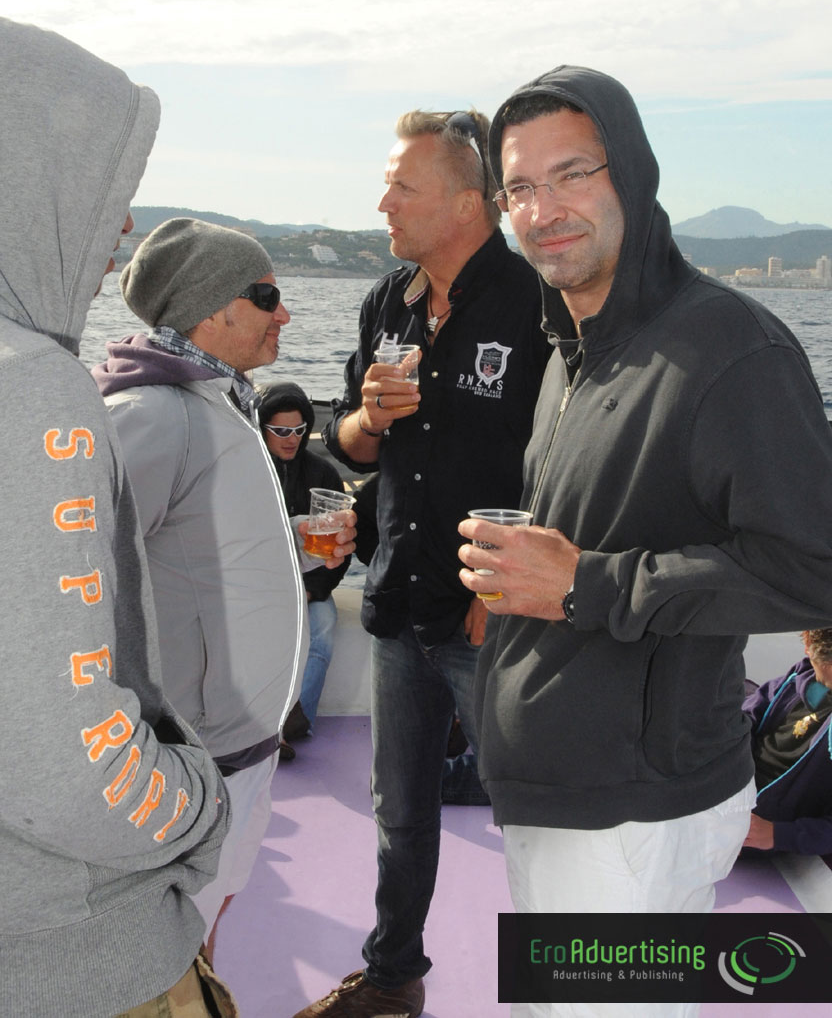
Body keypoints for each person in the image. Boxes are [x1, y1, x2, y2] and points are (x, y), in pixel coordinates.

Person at [458, 66, 832, 1018]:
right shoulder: (570, 354)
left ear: (631, 172)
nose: (545, 209)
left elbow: (813, 569)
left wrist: (587, 584)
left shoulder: (732, 349)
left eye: (573, 173)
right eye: (521, 189)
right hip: (560, 790)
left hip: (633, 814)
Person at [0, 17, 236, 1016]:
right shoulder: (30, 389)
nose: (125, 227)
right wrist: (197, 793)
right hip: (79, 958)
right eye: (107, 178)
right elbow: (62, 768)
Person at [293, 110, 551, 1018]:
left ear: (466, 200)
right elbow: (352, 448)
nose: (382, 202)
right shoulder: (386, 301)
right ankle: (396, 978)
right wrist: (366, 416)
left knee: (541, 826)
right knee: (399, 816)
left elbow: (569, 461)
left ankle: (562, 993)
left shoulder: (537, 305)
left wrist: (501, 591)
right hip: (400, 602)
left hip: (499, 619)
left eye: (402, 185)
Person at [92, 218, 354, 961]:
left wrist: (294, 550)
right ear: (214, 309)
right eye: (266, 293)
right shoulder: (153, 415)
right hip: (198, 749)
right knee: (173, 949)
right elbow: (81, 574)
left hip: (241, 742)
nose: (286, 313)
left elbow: (197, 555)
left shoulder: (221, 402)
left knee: (211, 919)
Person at [258, 379, 351, 738]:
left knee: (323, 630)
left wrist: (310, 591)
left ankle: (296, 723)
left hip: (308, 587)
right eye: (280, 430)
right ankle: (258, 728)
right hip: (256, 585)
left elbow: (340, 551)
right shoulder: (248, 470)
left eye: (299, 429)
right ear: (261, 427)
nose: (291, 437)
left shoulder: (323, 474)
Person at [743, 629, 832, 855]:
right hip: (726, 792)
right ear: (808, 644)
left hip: (766, 828)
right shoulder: (799, 679)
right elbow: (747, 717)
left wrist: (776, 834)